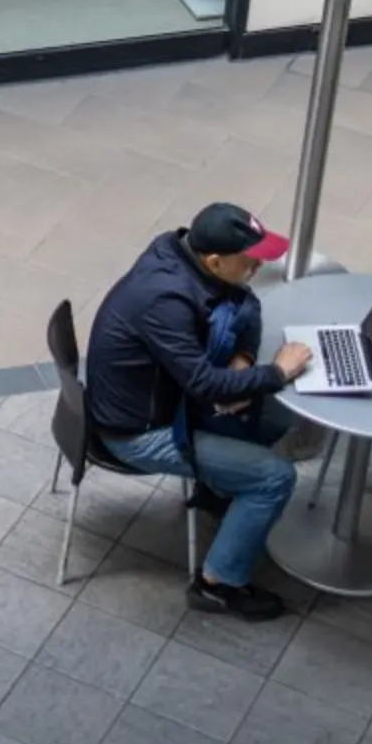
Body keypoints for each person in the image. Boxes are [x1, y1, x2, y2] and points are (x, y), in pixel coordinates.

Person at [83, 202, 313, 621]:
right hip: (139, 432)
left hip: (174, 403)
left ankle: (217, 488)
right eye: (250, 262)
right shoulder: (164, 302)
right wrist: (277, 371)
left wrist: (243, 356)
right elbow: (206, 385)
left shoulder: (183, 256)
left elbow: (246, 305)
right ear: (214, 260)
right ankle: (218, 584)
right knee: (274, 478)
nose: (257, 270)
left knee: (276, 415)